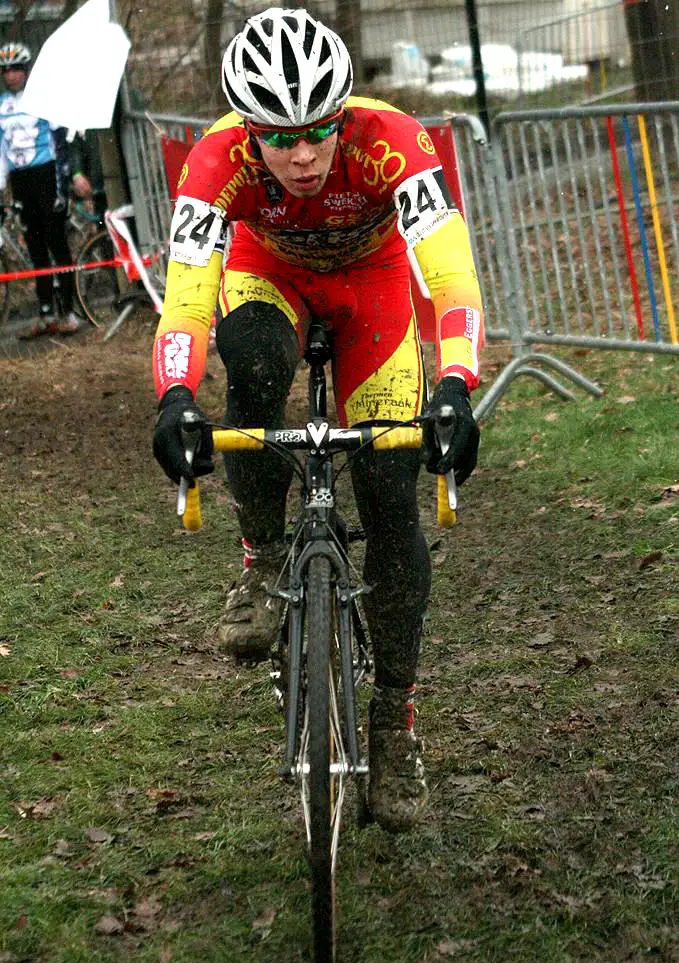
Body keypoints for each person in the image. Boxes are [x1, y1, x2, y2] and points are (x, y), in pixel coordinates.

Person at [152, 8, 483, 833]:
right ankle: (263, 559)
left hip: (371, 291)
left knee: (386, 485)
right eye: (277, 138)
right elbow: (188, 297)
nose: (300, 157)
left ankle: (393, 722)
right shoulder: (214, 161)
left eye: (316, 134)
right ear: (246, 131)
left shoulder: (395, 143)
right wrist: (175, 399)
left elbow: (450, 278)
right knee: (255, 370)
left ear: (341, 117)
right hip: (267, 278)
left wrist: (454, 387)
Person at [0, 42, 88, 337]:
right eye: (6, 70)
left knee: (56, 243)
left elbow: (61, 144)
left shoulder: (43, 99)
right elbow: (1, 151)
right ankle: (46, 312)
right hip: (20, 179)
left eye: (16, 69)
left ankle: (68, 311)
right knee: (35, 248)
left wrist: (66, 181)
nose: (11, 75)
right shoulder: (2, 105)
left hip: (47, 176)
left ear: (26, 71)